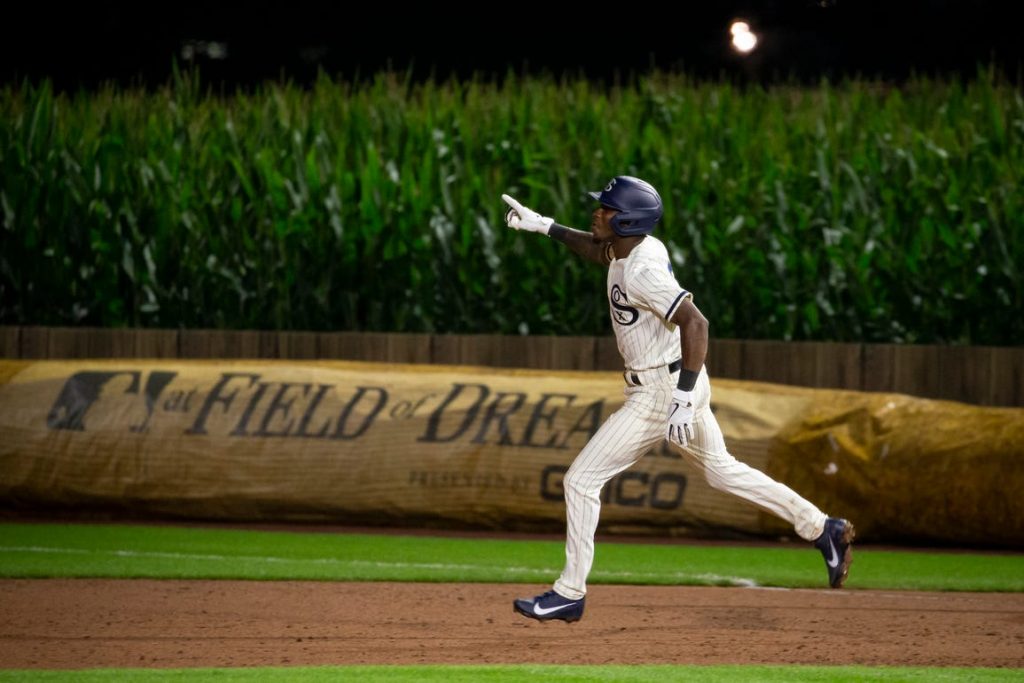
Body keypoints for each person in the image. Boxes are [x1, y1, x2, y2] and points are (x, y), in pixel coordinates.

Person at [501, 176, 854, 623]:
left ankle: (570, 592)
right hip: (672, 379)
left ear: (628, 219)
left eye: (606, 208)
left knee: (580, 481)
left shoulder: (643, 269)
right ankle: (823, 527)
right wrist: (546, 226)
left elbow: (696, 323)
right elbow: (597, 250)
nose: (597, 211)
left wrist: (683, 398)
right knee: (723, 472)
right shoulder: (631, 249)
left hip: (661, 391)